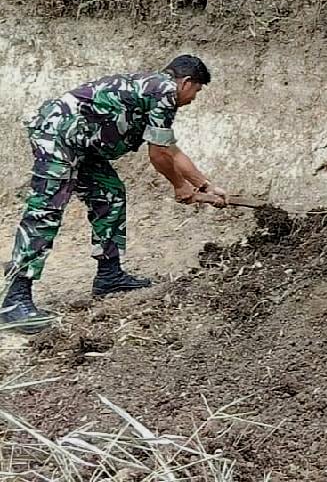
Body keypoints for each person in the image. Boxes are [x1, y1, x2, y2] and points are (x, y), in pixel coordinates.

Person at [1, 55, 228, 334]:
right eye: (197, 91)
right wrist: (180, 186)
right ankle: (15, 300)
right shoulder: (165, 91)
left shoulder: (153, 89)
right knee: (45, 211)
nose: (193, 98)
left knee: (110, 194)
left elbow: (170, 148)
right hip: (57, 136)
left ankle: (109, 276)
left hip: (80, 144)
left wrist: (204, 186)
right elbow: (158, 155)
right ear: (186, 83)